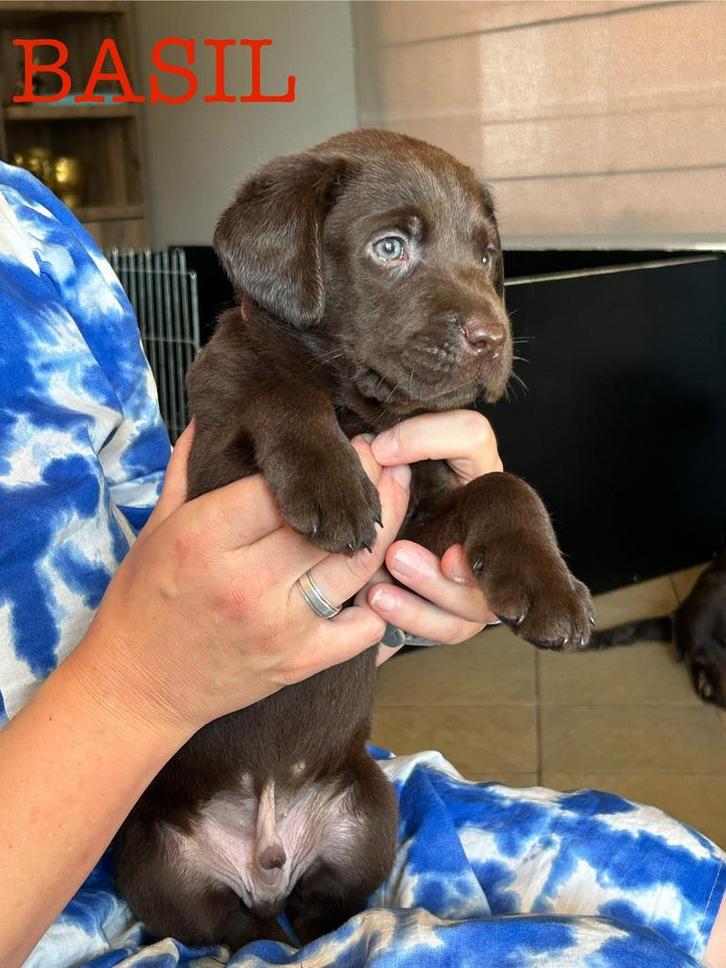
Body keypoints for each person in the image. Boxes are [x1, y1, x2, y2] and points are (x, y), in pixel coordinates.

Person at [0, 161, 724, 968]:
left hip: (335, 790)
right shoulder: (245, 379)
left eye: (481, 257)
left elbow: (175, 527)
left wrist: (468, 556)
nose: (483, 313)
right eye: (391, 246)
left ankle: (315, 929)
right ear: (291, 260)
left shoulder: (29, 221)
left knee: (703, 901)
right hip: (157, 822)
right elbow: (212, 477)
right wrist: (136, 684)